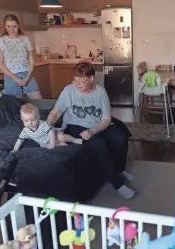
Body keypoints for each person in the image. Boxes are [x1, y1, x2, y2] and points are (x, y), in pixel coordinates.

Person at [47, 62, 136, 199]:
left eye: (82, 81)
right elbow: (56, 112)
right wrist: (46, 127)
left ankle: (120, 169)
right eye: (75, 80)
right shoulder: (68, 91)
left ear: (92, 79)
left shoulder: (100, 92)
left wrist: (93, 130)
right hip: (74, 125)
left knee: (120, 137)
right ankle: (118, 184)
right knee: (99, 144)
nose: (78, 84)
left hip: (97, 125)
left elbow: (106, 119)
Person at [0, 14, 41, 99]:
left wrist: (27, 78)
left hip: (27, 74)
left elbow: (32, 61)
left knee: (38, 100)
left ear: (18, 26)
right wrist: (16, 78)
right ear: (5, 26)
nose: (11, 29)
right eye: (8, 26)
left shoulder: (25, 39)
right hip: (10, 75)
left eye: (14, 26)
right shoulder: (2, 40)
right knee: (15, 104)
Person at [11, 103, 82, 152]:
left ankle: (74, 140)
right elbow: (20, 140)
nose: (30, 123)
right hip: (45, 142)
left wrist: (52, 144)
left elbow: (51, 132)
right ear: (22, 120)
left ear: (38, 118)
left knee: (61, 137)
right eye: (26, 121)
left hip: (55, 134)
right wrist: (15, 149)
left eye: (32, 120)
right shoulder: (25, 131)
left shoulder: (43, 124)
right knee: (42, 145)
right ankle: (61, 144)